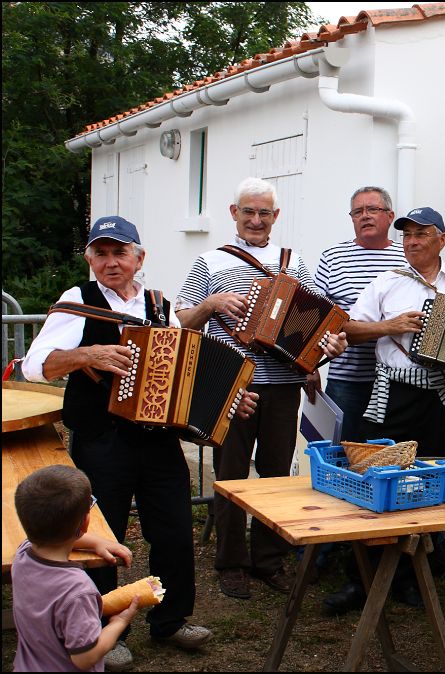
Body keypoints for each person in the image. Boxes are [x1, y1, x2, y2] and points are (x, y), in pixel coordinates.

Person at [21, 216, 240, 670]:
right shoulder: (76, 302)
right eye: (100, 253)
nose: (110, 262)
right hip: (104, 440)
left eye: (119, 252)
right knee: (103, 532)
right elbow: (33, 365)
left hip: (158, 440)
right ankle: (98, 628)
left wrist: (226, 398)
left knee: (174, 530)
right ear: (88, 259)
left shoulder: (158, 304)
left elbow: (183, 368)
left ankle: (171, 619)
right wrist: (86, 354)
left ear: (139, 258)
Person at [323, 206, 445, 614]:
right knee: (375, 486)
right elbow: (348, 327)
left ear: (441, 239)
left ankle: (412, 577)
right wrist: (392, 326)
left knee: (429, 490)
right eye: (406, 235)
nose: (412, 242)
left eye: (421, 234)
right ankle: (361, 581)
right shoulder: (387, 282)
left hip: (440, 400)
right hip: (393, 397)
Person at [175, 177, 347, 602]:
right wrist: (212, 304)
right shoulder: (210, 262)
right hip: (232, 383)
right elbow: (183, 320)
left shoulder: (294, 263)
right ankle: (231, 563)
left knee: (275, 474)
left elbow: (317, 320)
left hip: (284, 385)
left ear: (275, 217)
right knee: (232, 474)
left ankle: (268, 560)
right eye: (248, 211)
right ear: (234, 213)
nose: (256, 220)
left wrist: (325, 347)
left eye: (264, 213)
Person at [11, 465, 138, 672]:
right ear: (86, 522)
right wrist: (118, 623)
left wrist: (95, 542)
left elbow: (47, 536)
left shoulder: (23, 555)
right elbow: (84, 657)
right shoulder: (78, 591)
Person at [312, 186, 406, 442]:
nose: (365, 216)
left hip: (395, 381)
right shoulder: (333, 257)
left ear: (390, 215)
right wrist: (309, 366)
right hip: (347, 379)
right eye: (358, 211)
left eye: (373, 209)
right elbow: (315, 317)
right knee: (339, 454)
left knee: (387, 455)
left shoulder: (407, 257)